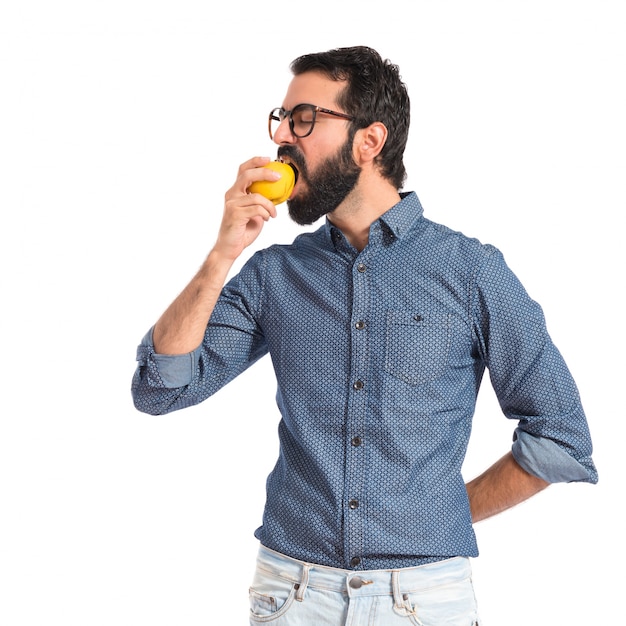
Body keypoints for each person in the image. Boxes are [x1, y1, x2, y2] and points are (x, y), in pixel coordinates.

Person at [131, 46, 598, 625]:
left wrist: (438, 514)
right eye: (281, 119)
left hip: (423, 602)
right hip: (291, 597)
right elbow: (161, 388)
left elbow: (562, 440)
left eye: (305, 119)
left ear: (369, 141)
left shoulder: (470, 271)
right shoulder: (275, 275)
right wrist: (223, 253)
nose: (284, 138)